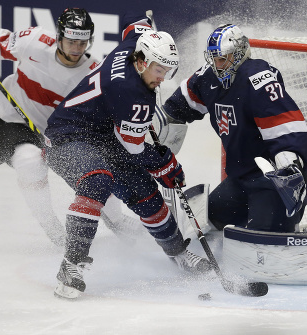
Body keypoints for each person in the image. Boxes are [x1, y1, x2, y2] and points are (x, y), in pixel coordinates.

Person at [44, 12, 212, 299]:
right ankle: (70, 264)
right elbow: (135, 148)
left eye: (168, 71)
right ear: (143, 61)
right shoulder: (130, 94)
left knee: (145, 193)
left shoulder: (134, 45)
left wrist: (146, 20)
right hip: (67, 136)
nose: (162, 79)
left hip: (103, 136)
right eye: (159, 71)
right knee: (97, 180)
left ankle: (178, 253)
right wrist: (165, 164)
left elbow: (136, 24)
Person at [0, 8, 129, 246]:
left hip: (61, 134)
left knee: (95, 175)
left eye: (83, 43)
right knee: (30, 162)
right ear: (59, 37)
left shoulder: (93, 74)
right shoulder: (34, 41)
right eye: (71, 41)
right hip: (13, 120)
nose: (77, 49)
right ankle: (51, 227)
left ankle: (120, 223)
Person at [159, 24, 307, 233]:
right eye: (213, 59)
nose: (217, 65)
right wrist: (159, 124)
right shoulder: (208, 77)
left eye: (222, 59)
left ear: (240, 53)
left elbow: (286, 126)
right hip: (241, 178)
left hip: (275, 183)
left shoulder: (258, 78)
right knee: (202, 227)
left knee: (264, 245)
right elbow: (179, 105)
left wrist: (289, 167)